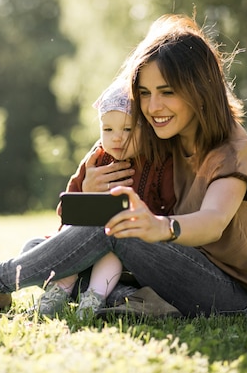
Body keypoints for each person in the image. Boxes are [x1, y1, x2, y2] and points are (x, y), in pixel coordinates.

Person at [0, 13, 247, 318]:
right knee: (41, 245)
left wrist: (157, 226)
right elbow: (97, 174)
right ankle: (138, 303)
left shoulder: (233, 149)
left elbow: (212, 223)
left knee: (112, 227)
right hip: (165, 269)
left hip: (227, 294)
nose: (153, 107)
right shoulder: (160, 138)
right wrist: (88, 193)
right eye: (145, 94)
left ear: (201, 88)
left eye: (167, 92)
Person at [33, 78, 175, 318]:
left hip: (129, 252)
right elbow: (67, 210)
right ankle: (61, 290)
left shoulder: (158, 163)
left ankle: (95, 296)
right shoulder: (96, 159)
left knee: (110, 243)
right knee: (35, 246)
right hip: (84, 248)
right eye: (107, 129)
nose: (116, 138)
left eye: (127, 129)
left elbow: (168, 209)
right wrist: (87, 191)